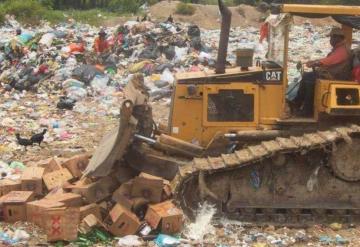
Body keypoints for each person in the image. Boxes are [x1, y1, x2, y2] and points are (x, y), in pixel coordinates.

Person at [294, 27, 352, 116]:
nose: (331, 40)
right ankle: (298, 104)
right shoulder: (339, 49)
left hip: (335, 77)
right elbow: (328, 59)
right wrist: (315, 61)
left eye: (332, 37)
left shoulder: (342, 50)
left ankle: (306, 109)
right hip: (333, 74)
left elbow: (330, 60)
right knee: (308, 76)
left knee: (308, 78)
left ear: (338, 38)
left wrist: (317, 63)